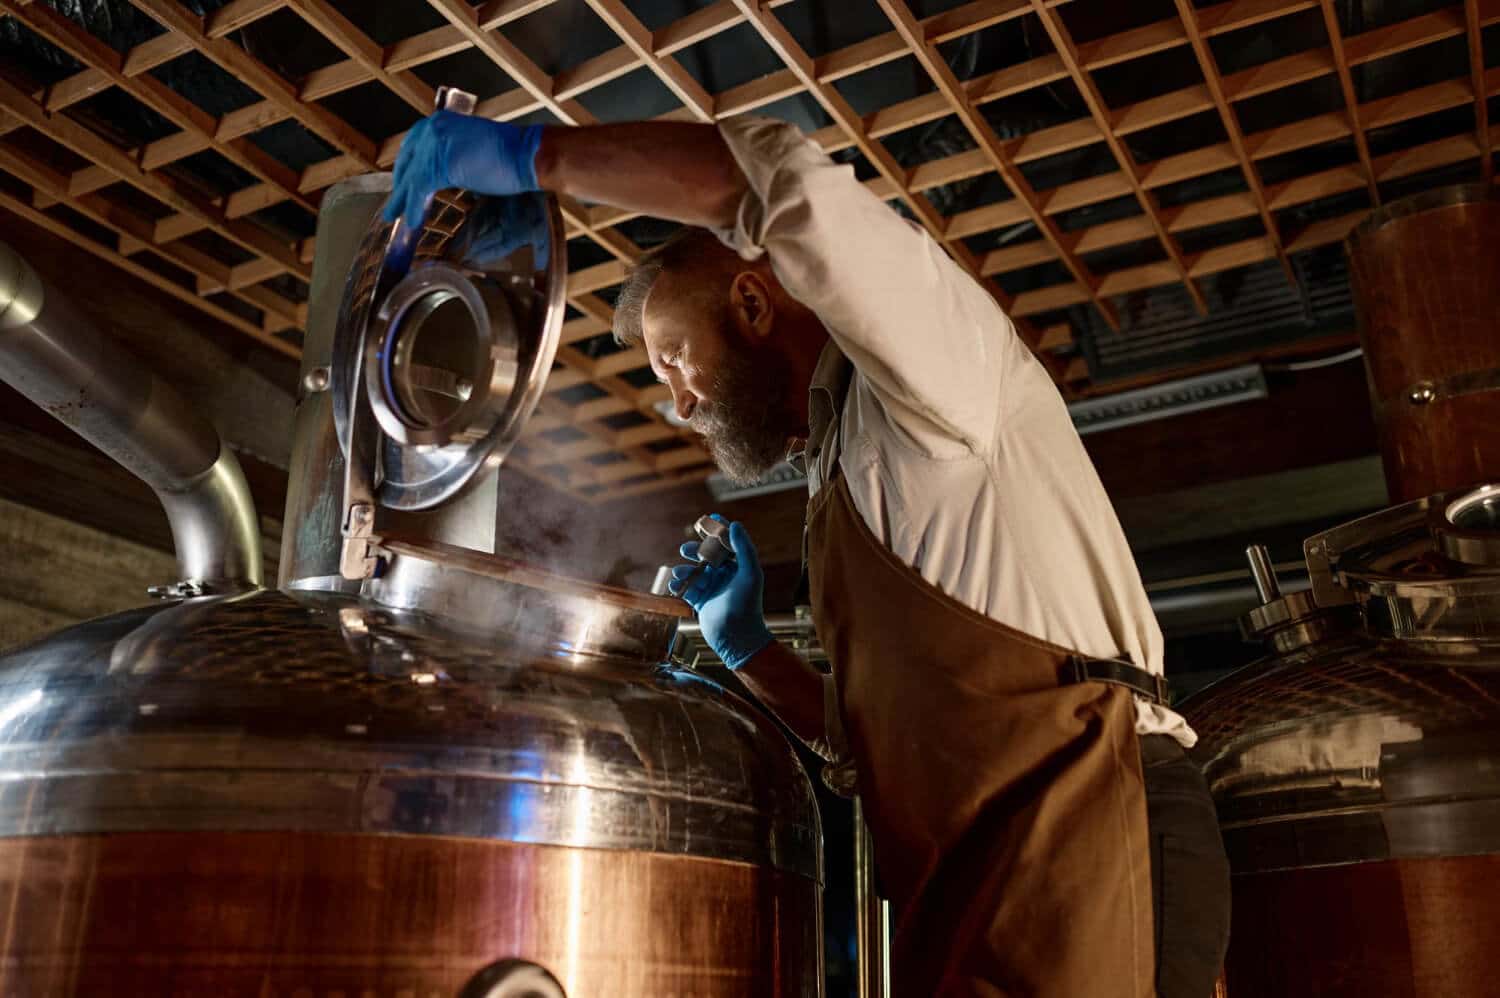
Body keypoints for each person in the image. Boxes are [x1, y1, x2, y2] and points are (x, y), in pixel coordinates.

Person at [387, 108, 1231, 997]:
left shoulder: (936, 379)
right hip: (988, 872)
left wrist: (540, 156)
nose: (679, 404)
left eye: (676, 358)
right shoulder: (842, 469)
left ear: (752, 302)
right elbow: (885, 740)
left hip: (1101, 824)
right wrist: (751, 654)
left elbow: (783, 185)